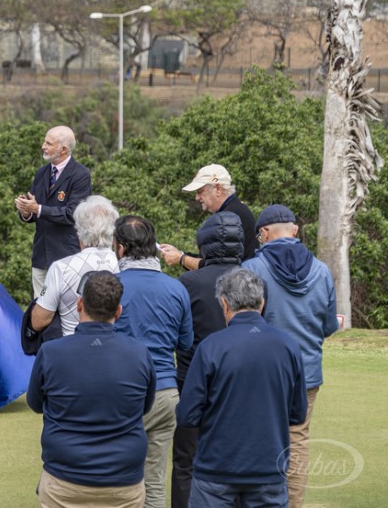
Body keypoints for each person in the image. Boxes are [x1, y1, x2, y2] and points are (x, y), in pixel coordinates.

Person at [177, 268, 307, 508]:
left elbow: (187, 415)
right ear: (262, 303)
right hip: (268, 466)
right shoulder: (288, 346)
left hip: (216, 469)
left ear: (224, 304)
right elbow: (297, 413)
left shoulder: (210, 347)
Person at [28, 271, 156, 507]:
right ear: (118, 311)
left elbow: (35, 404)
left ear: (79, 304)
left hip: (65, 479)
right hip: (122, 481)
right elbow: (144, 407)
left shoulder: (51, 353)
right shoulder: (139, 354)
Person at [243, 204, 338, 507]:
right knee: (296, 442)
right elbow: (327, 324)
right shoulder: (322, 271)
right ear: (294, 230)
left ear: (265, 233)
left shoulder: (252, 269)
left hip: (263, 373)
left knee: (260, 440)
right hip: (306, 372)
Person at [113, 215, 192, 508]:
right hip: (166, 392)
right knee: (155, 482)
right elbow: (184, 343)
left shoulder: (111, 286)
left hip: (125, 392)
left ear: (120, 248)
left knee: (119, 479)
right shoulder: (176, 288)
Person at [171, 211, 243, 508]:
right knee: (238, 458)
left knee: (186, 460)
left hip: (192, 380)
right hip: (239, 383)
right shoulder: (252, 279)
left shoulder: (189, 281)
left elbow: (180, 334)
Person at [15, 126, 92, 297]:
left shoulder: (80, 175)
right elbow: (34, 212)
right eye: (44, 141)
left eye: (49, 143)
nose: (43, 146)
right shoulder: (42, 172)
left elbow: (73, 214)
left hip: (66, 255)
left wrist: (38, 209)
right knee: (39, 306)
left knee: (66, 307)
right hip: (41, 256)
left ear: (63, 149)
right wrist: (26, 210)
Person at [32, 195, 120, 336]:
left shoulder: (61, 268)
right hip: (116, 349)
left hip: (70, 348)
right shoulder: (124, 266)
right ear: (113, 230)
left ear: (78, 230)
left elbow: (38, 321)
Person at [159, 164, 256, 270]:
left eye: (200, 191)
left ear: (218, 189)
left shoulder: (229, 218)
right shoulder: (233, 212)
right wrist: (180, 254)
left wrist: (182, 259)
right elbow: (212, 260)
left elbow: (215, 268)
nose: (197, 197)